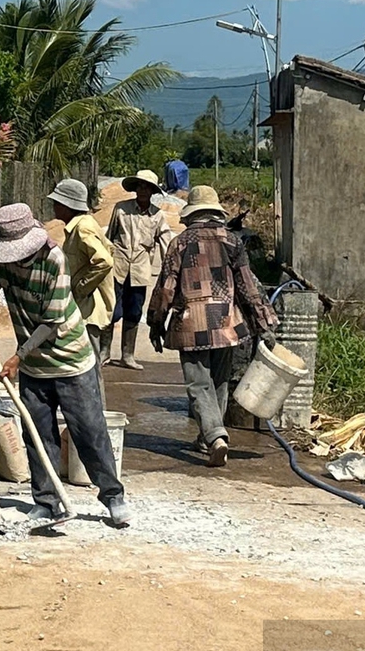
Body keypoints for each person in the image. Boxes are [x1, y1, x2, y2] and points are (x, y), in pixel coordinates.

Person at [0, 203, 130, 530]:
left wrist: (17, 357)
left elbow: (51, 322)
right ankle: (46, 502)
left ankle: (113, 496)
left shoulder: (53, 259)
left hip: (71, 361)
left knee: (89, 430)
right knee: (38, 436)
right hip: (34, 369)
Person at [148, 184, 276, 469]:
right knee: (218, 382)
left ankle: (215, 435)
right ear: (215, 212)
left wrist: (155, 323)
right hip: (226, 324)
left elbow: (166, 289)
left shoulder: (180, 243)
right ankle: (210, 438)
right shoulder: (232, 241)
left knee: (198, 384)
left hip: (191, 325)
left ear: (191, 214)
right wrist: (264, 323)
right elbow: (247, 286)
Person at [46, 178, 115, 368]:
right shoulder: (78, 227)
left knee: (89, 367)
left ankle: (96, 399)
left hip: (88, 309)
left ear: (68, 206)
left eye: (57, 203)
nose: (54, 207)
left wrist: (81, 288)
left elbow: (104, 261)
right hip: (82, 309)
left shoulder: (83, 228)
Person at [106, 169, 170, 370]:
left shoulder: (158, 216)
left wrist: (171, 267)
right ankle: (104, 352)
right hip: (118, 267)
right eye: (140, 186)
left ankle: (127, 355)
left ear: (152, 191)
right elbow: (109, 237)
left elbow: (166, 243)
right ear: (135, 189)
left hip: (140, 271)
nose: (143, 190)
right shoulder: (121, 209)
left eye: (146, 187)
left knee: (133, 312)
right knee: (112, 312)